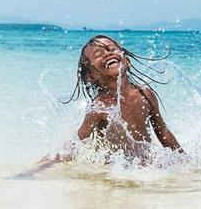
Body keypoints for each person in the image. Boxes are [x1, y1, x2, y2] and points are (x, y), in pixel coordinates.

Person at [17, 35, 182, 177]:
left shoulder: (145, 94)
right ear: (90, 76)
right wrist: (37, 169)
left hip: (147, 170)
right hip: (117, 173)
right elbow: (74, 145)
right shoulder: (99, 108)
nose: (108, 54)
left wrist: (185, 160)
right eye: (98, 54)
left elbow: (164, 134)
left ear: (127, 61)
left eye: (111, 49)